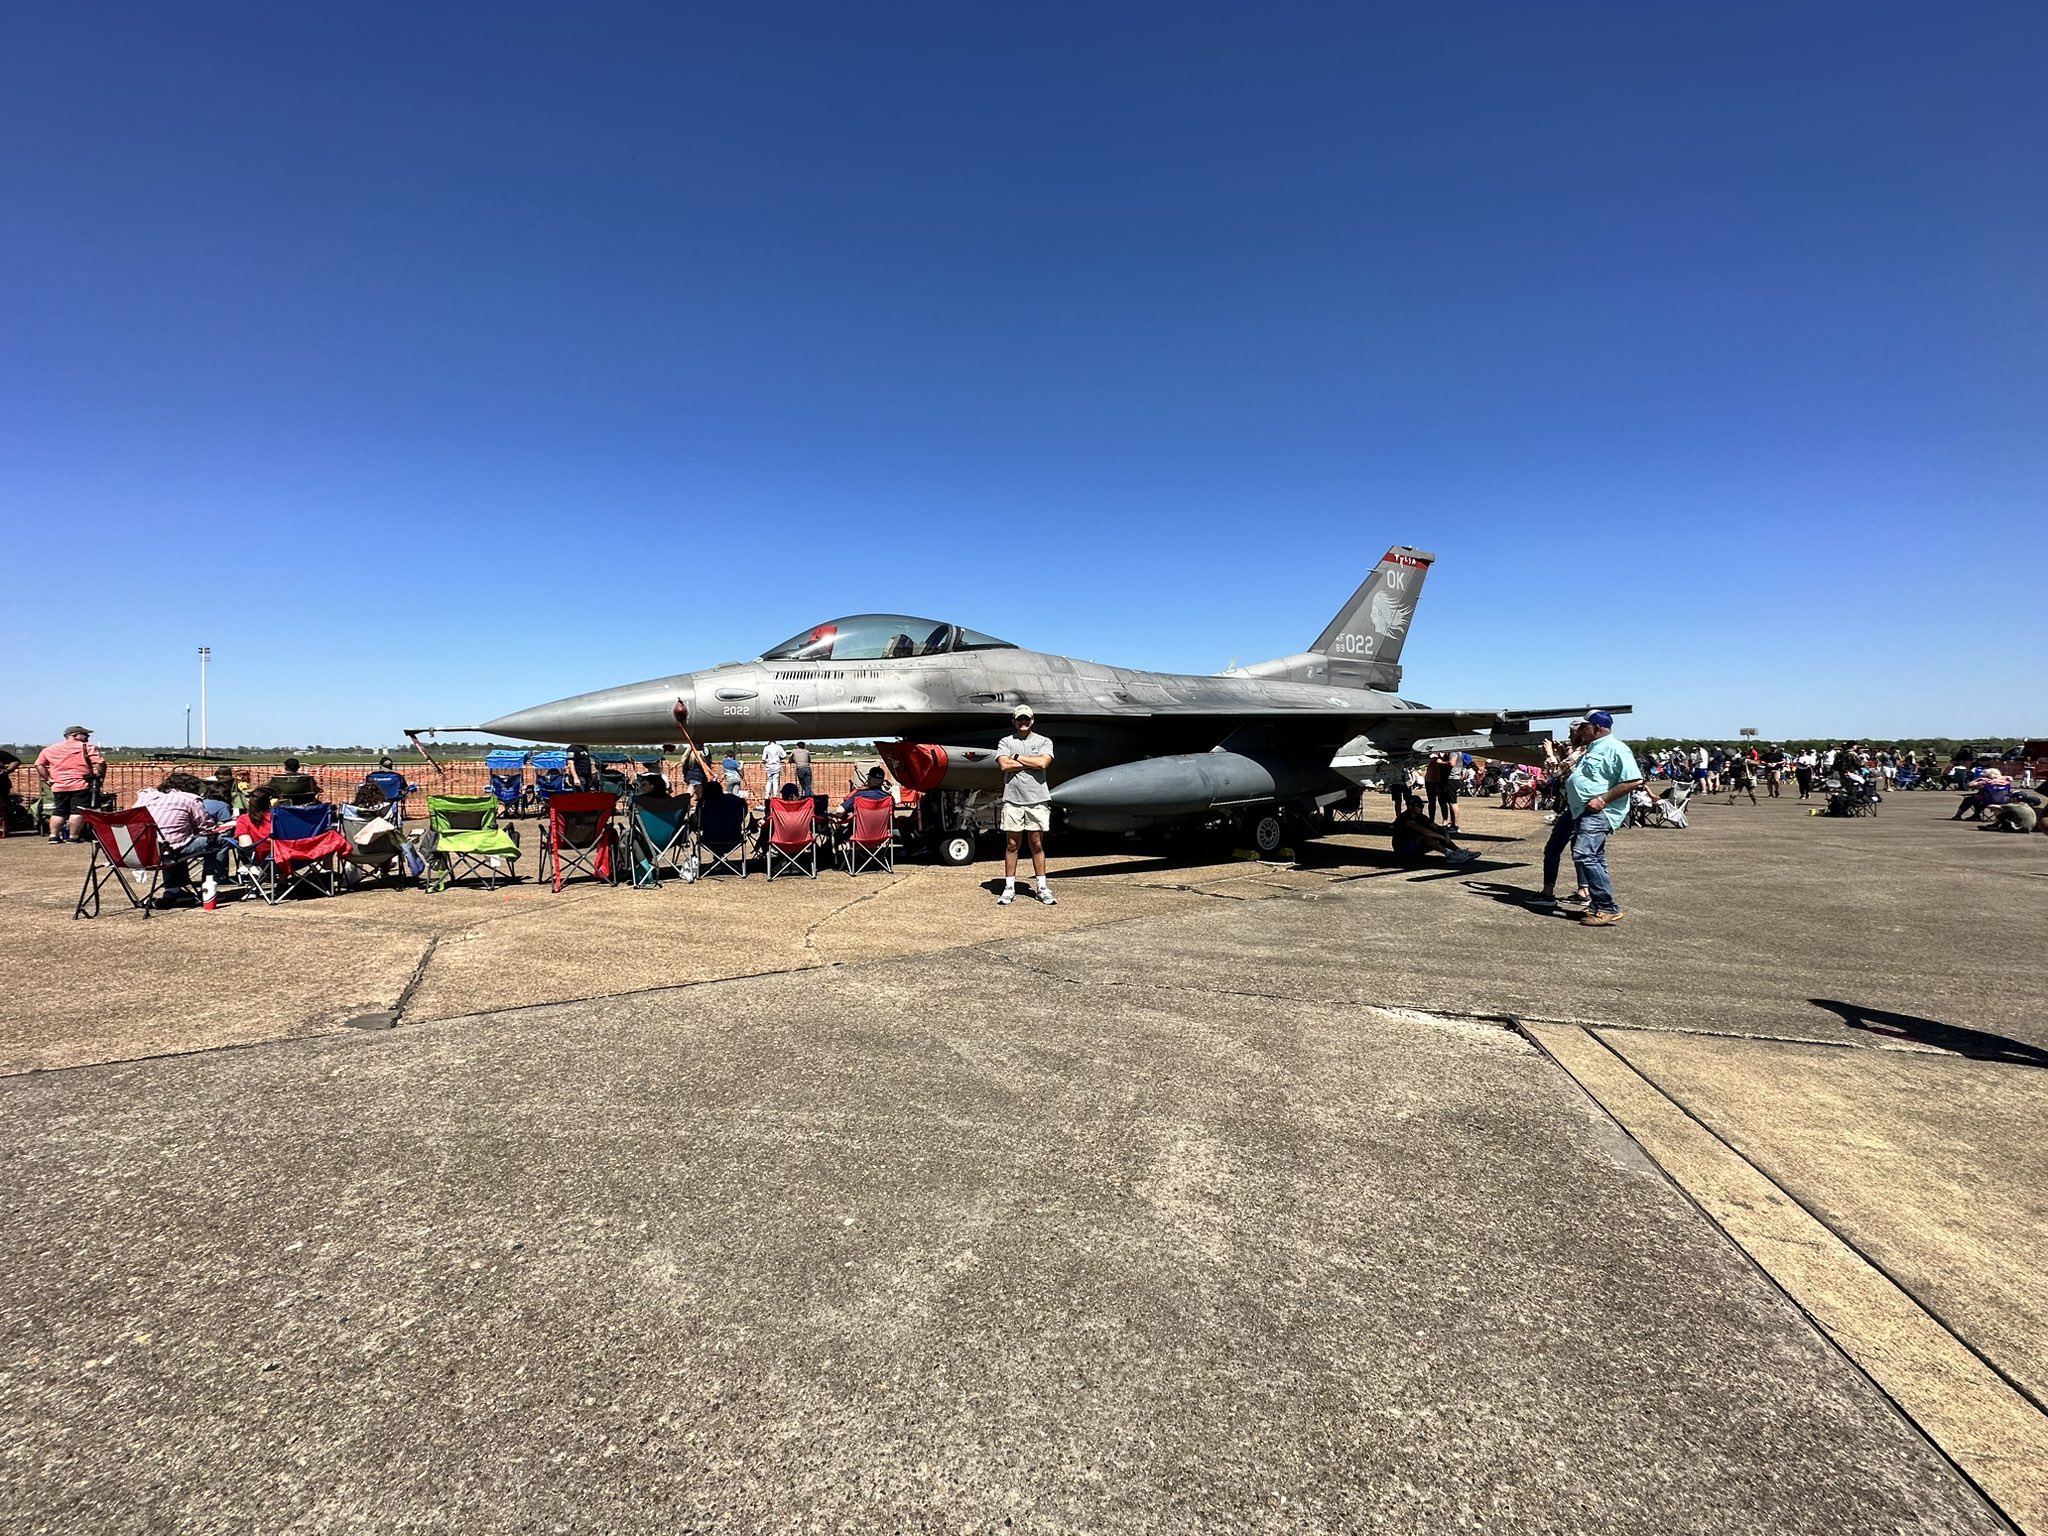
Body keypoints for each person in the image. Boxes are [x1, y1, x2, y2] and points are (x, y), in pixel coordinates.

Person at [1563, 711, 1642, 927]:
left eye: (1584, 727)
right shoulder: (1593, 748)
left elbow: (1634, 780)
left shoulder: (1616, 748)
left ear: (1597, 728)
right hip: (1585, 810)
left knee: (1584, 854)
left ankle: (1607, 907)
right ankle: (1599, 905)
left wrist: (1603, 800)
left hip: (1599, 811)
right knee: (1595, 857)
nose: (1580, 731)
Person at [1528, 721, 1592, 909]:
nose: (1569, 736)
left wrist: (1549, 753)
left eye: (1571, 733)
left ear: (1578, 734)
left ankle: (1548, 893)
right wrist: (1562, 753)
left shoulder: (1582, 752)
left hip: (1573, 808)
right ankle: (1583, 890)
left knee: (1552, 850)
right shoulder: (1586, 751)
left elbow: (1557, 772)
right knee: (1577, 850)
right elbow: (1568, 771)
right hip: (1580, 806)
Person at [996, 704, 1056, 906]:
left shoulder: (1044, 741)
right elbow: (1004, 765)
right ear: (1014, 721)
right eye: (1019, 719)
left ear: (1032, 721)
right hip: (1013, 800)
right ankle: (1009, 887)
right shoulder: (1006, 741)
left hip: (1037, 800)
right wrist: (1032, 761)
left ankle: (1042, 886)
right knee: (1012, 844)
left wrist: (1017, 758)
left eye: (1026, 719)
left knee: (1037, 844)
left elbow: (1043, 764)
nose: (1023, 722)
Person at [137, 771, 230, 889]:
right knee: (221, 839)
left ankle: (174, 891)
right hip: (167, 850)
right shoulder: (189, 799)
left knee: (175, 840)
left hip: (138, 851)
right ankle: (212, 884)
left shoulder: (145, 797)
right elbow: (206, 829)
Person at [36, 726, 106, 843]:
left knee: (59, 811)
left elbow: (39, 764)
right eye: (85, 734)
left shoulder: (50, 749)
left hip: (59, 785)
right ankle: (74, 836)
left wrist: (48, 779)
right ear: (75, 735)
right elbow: (99, 763)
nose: (88, 737)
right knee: (77, 811)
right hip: (80, 784)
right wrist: (99, 775)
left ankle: (54, 836)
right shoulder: (86, 747)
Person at [1391, 803, 1476, 865]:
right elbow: (1423, 831)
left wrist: (1444, 832)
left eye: (1422, 806)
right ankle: (1449, 855)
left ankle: (1459, 851)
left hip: (1415, 846)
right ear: (1410, 807)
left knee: (1438, 834)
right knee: (1425, 837)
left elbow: (1436, 827)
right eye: (1419, 806)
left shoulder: (1421, 817)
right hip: (1403, 848)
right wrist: (1441, 836)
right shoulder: (1405, 818)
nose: (1422, 808)